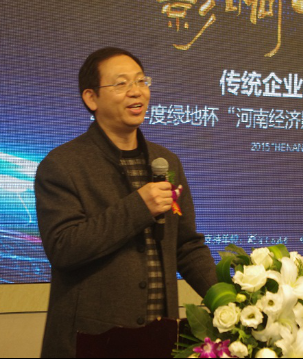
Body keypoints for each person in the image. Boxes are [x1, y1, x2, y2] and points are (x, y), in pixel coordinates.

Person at [34, 47, 217, 358]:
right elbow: (64, 247)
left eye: (141, 81)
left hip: (161, 337)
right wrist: (139, 207)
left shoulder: (166, 162)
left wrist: (228, 300)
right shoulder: (62, 165)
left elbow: (186, 246)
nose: (136, 91)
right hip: (93, 342)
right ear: (91, 98)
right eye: (121, 84)